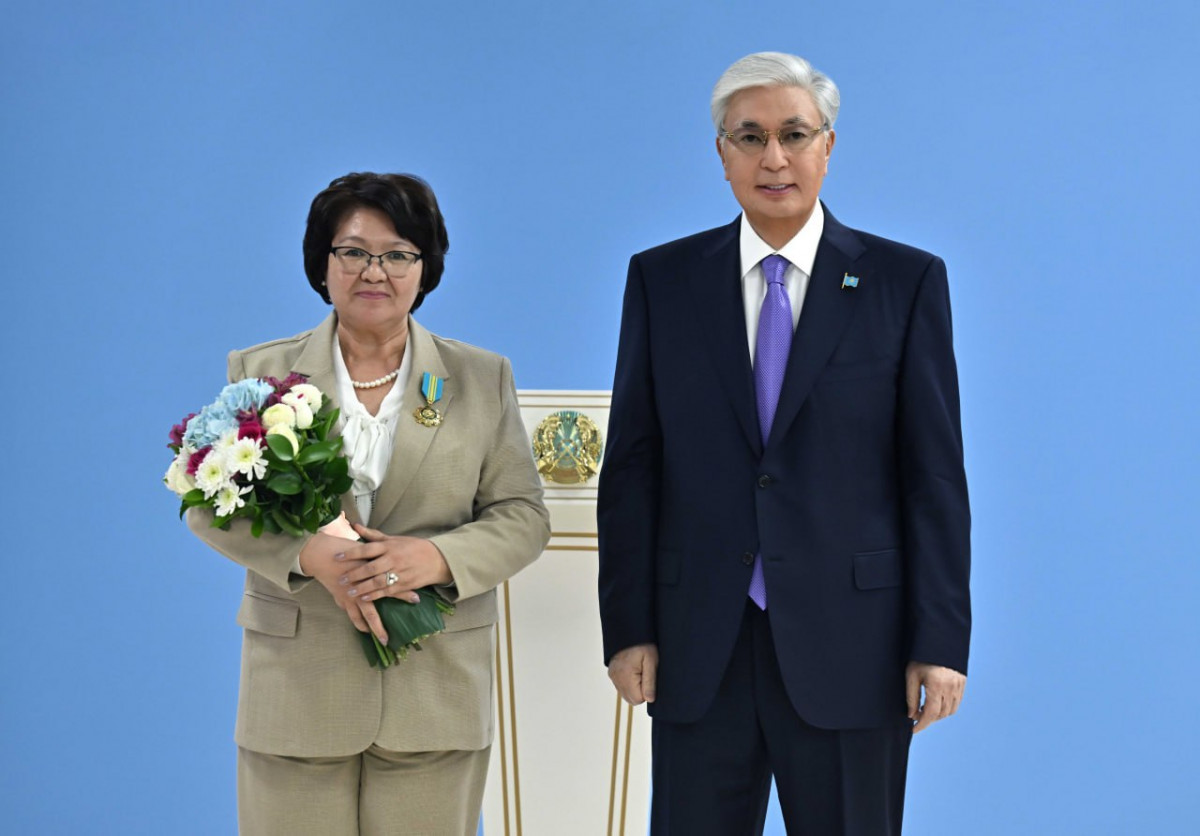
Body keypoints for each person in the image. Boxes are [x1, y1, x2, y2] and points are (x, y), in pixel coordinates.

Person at [598, 52, 971, 834]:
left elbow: (932, 475)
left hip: (856, 645)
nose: (774, 158)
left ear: (827, 146)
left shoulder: (903, 283)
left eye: (794, 135)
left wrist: (939, 641)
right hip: (700, 642)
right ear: (722, 153)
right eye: (751, 137)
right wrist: (629, 627)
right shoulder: (663, 281)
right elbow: (633, 467)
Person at [187, 172, 550, 836]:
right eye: (353, 252)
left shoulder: (480, 377)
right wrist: (307, 555)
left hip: (435, 691)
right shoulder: (262, 372)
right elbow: (206, 502)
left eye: (397, 254)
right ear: (322, 263)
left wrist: (436, 558)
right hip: (297, 691)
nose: (374, 271)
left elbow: (523, 516)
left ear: (425, 266)